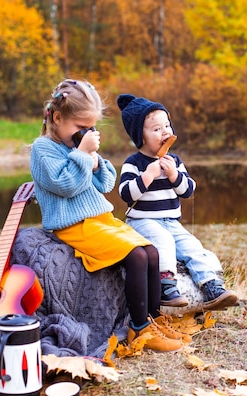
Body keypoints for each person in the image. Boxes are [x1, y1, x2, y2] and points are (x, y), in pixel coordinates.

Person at [29, 79, 190, 353]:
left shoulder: (76, 148)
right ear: (57, 118)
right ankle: (139, 329)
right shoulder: (43, 150)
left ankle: (153, 321)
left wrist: (96, 161)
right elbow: (64, 185)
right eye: (80, 128)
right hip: (74, 225)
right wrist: (81, 154)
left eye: (90, 128)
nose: (85, 133)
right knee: (136, 256)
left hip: (100, 219)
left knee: (150, 251)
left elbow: (105, 185)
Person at [117, 93, 239, 311]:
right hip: (142, 221)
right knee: (163, 241)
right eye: (156, 129)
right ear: (141, 136)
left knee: (192, 246)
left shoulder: (174, 161)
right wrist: (147, 175)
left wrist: (174, 175)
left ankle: (211, 286)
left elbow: (188, 191)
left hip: (171, 221)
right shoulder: (133, 163)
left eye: (167, 125)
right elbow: (126, 194)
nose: (165, 131)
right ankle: (166, 286)